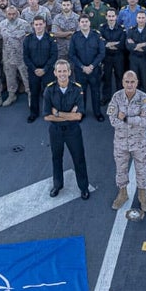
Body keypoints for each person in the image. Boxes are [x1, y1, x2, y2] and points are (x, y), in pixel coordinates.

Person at [43, 60, 90, 200]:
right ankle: (57, 185)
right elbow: (46, 116)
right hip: (55, 131)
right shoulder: (49, 89)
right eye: (60, 71)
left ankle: (84, 187)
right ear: (55, 73)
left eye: (65, 71)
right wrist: (69, 115)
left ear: (69, 72)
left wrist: (57, 113)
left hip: (73, 131)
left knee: (79, 159)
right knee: (56, 158)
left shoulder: (77, 88)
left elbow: (79, 116)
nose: (62, 74)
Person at [108, 69, 146, 211]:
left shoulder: (143, 98)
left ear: (137, 82)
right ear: (122, 82)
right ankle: (122, 194)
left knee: (141, 169)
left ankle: (142, 196)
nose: (129, 84)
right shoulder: (116, 97)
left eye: (132, 82)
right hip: (121, 142)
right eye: (126, 82)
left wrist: (125, 118)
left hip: (139, 143)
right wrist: (135, 119)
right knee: (121, 169)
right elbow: (113, 120)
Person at [69, 15, 106, 121]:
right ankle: (81, 112)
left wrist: (92, 66)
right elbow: (72, 54)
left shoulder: (97, 36)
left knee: (96, 92)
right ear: (79, 24)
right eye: (82, 22)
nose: (84, 23)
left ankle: (97, 113)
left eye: (86, 21)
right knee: (81, 93)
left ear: (90, 23)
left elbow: (101, 53)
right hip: (80, 71)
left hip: (94, 70)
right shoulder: (75, 37)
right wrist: (82, 66)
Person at [23, 16, 58, 123]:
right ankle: (34, 113)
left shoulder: (51, 38)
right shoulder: (28, 39)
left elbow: (54, 55)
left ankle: (50, 112)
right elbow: (26, 56)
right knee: (34, 92)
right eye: (36, 24)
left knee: (50, 92)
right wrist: (34, 69)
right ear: (33, 25)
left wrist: (45, 69)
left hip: (47, 71)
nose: (38, 26)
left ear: (44, 25)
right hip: (33, 71)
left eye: (40, 24)